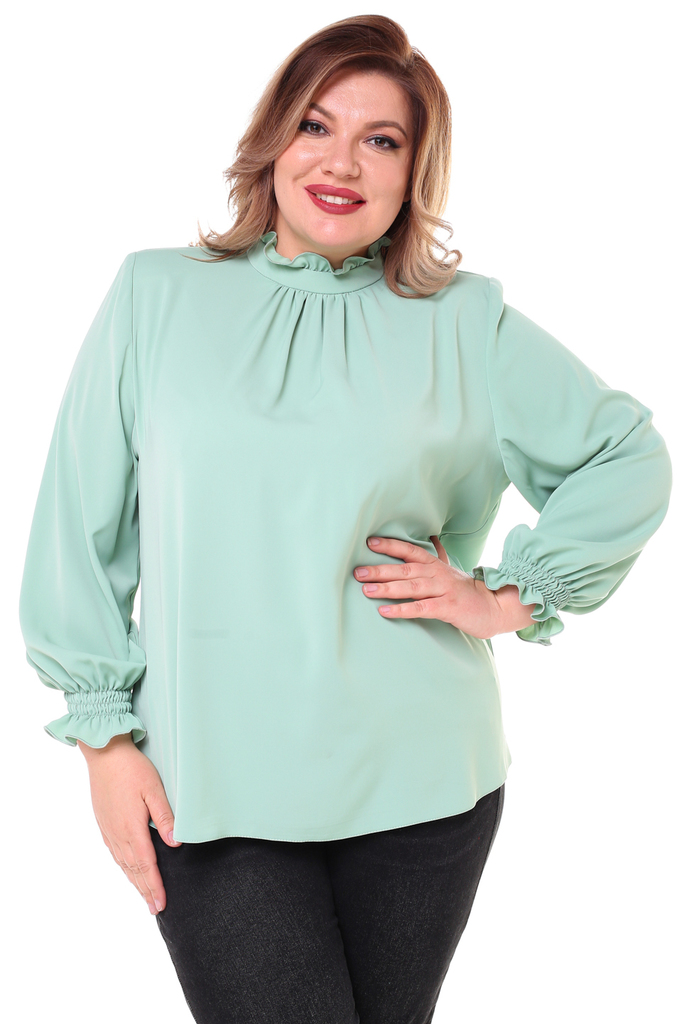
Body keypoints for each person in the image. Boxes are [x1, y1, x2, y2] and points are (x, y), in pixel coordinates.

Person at [18, 14, 672, 1024]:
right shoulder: (155, 295)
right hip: (209, 787)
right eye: (316, 126)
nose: (341, 163)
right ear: (272, 138)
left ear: (414, 171)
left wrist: (506, 597)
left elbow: (626, 455)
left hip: (424, 783)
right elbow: (78, 526)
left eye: (382, 140)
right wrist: (103, 743)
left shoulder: (464, 320)